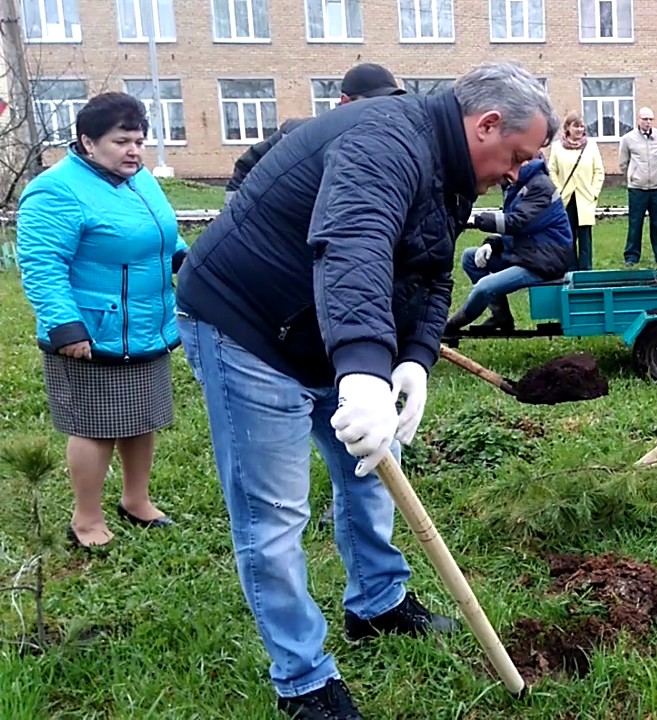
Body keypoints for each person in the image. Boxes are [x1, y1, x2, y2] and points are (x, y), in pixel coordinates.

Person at [174, 62, 555, 719]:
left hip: (326, 330)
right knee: (274, 517)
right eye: (517, 155)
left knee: (371, 475)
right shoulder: (386, 140)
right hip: (250, 327)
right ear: (486, 124)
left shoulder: (450, 167)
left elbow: (431, 268)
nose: (516, 173)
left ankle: (376, 604)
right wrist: (360, 372)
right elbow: (354, 247)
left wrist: (408, 361)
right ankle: (303, 679)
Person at [16, 93, 186, 549]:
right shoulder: (57, 189)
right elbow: (41, 263)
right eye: (121, 141)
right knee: (95, 428)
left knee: (141, 419)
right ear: (87, 142)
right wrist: (64, 325)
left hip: (145, 325)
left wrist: (184, 258)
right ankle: (86, 520)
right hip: (91, 332)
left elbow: (162, 233)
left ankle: (136, 501)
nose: (134, 150)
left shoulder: (139, 179)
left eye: (139, 140)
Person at [223, 63, 406, 206]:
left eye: (388, 103)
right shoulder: (299, 135)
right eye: (372, 103)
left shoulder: (390, 146)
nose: (382, 112)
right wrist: (231, 218)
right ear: (345, 102)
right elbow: (247, 167)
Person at [445, 156, 575, 333]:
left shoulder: (539, 185)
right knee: (470, 257)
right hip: (527, 253)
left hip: (543, 261)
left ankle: (451, 326)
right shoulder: (517, 184)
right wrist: (492, 244)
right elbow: (517, 229)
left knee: (484, 288)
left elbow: (518, 222)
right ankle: (501, 318)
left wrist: (476, 219)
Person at [547, 111, 604, 270]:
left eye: (581, 126)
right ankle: (570, 270)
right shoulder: (557, 147)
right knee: (568, 236)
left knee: (585, 238)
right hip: (566, 198)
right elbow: (551, 170)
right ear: (567, 128)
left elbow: (599, 171)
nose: (579, 129)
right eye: (575, 126)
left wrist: (594, 192)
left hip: (585, 198)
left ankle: (586, 271)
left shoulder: (591, 146)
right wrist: (558, 190)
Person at [619, 107, 657, 266]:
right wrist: (633, 175)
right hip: (637, 188)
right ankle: (631, 256)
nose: (647, 122)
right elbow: (623, 163)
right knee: (635, 223)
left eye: (650, 119)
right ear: (638, 120)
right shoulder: (628, 139)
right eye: (644, 119)